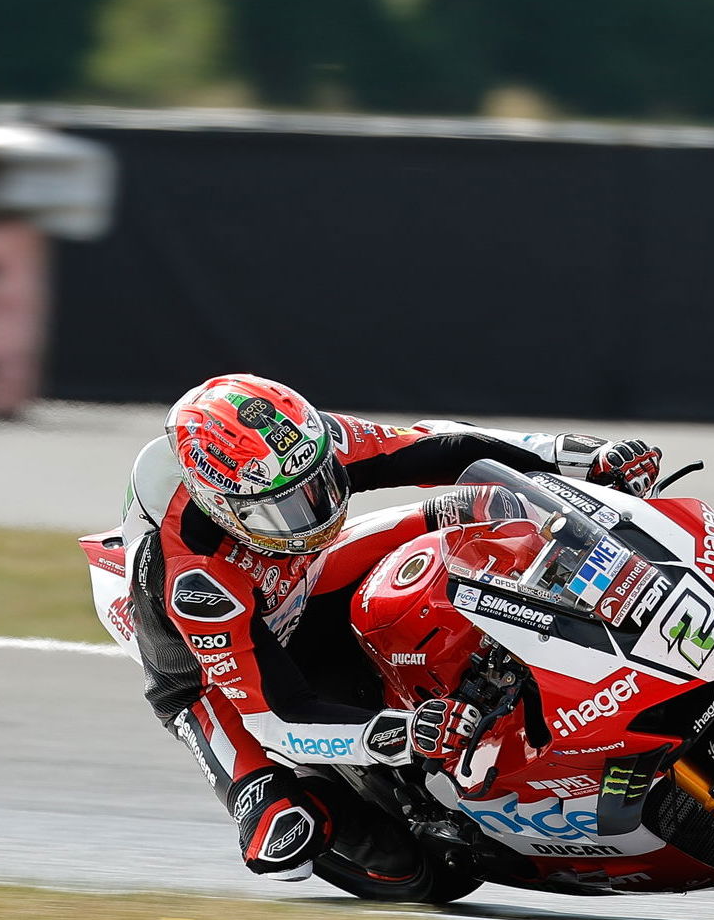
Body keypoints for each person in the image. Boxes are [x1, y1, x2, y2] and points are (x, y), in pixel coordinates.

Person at [122, 374, 661, 884]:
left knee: (483, 505)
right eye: (280, 509)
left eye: (319, 487)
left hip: (299, 578)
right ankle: (283, 804)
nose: (310, 514)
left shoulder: (299, 445)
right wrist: (403, 734)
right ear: (217, 505)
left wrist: (578, 455)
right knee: (285, 834)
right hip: (214, 674)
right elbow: (274, 716)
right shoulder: (192, 579)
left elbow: (445, 445)